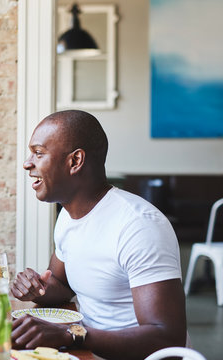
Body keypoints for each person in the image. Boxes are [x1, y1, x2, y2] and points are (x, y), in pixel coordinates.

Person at [10, 110, 187, 359]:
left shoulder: (139, 226)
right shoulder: (67, 216)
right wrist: (36, 289)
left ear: (75, 161)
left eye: (38, 153)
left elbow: (167, 338)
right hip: (88, 352)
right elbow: (61, 285)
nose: (28, 163)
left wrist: (70, 334)